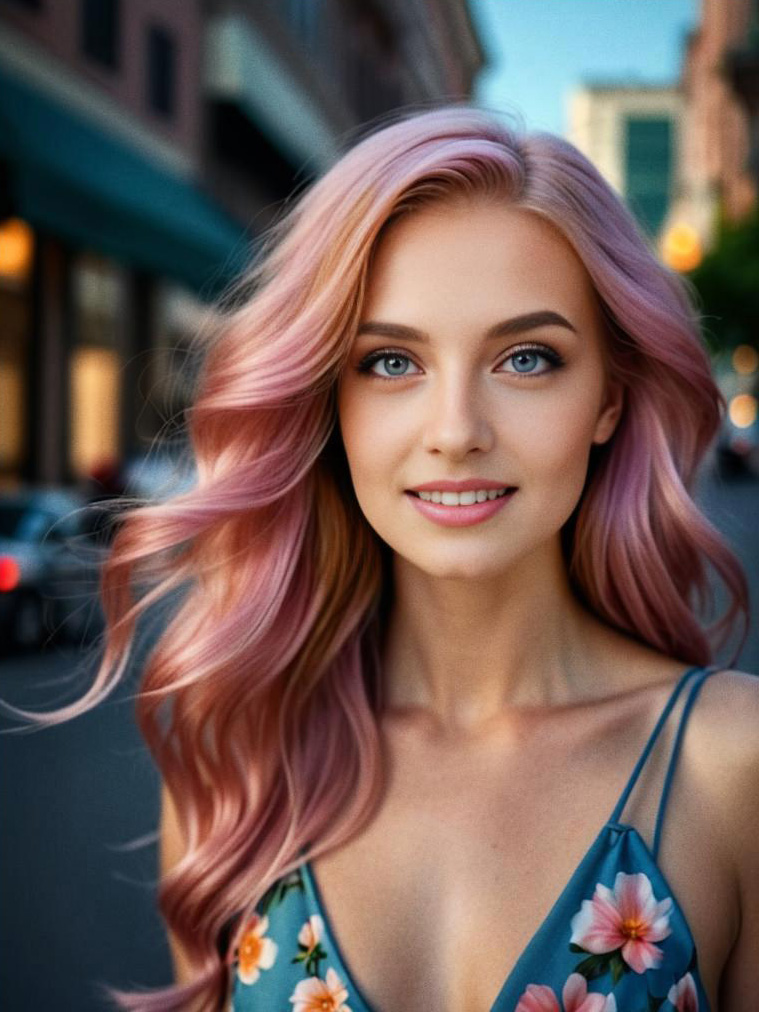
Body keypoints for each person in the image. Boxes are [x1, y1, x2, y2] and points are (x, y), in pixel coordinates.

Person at [7, 105, 757, 1011]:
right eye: (390, 363)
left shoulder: (732, 766)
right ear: (330, 399)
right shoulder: (241, 777)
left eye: (525, 358)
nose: (455, 434)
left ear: (609, 396)